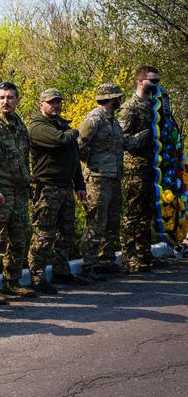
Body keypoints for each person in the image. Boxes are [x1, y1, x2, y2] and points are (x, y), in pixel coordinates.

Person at [0, 82, 37, 304]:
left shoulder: (19, 125)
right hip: (0, 193)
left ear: (17, 100)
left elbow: (24, 158)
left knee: (19, 238)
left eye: (10, 97)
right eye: (1, 97)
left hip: (19, 191)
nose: (6, 101)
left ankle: (13, 281)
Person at [78, 83, 147, 278]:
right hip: (98, 180)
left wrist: (147, 134)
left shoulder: (113, 121)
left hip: (114, 178)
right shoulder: (94, 119)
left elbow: (125, 143)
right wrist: (92, 163)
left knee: (112, 222)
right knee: (96, 223)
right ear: (110, 98)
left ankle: (105, 261)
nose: (120, 100)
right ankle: (88, 266)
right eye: (118, 97)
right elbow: (80, 145)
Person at [26, 89, 87, 293]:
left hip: (65, 187)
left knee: (66, 232)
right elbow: (59, 140)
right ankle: (38, 276)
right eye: (51, 102)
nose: (55, 106)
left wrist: (80, 185)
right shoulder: (37, 126)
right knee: (44, 234)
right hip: (47, 188)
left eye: (58, 102)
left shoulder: (62, 125)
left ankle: (62, 271)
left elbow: (74, 159)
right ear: (41, 104)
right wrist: (76, 132)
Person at [119, 66, 161, 272]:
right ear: (140, 81)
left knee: (147, 212)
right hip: (134, 168)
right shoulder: (130, 108)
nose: (156, 85)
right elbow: (124, 141)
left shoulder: (156, 105)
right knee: (133, 213)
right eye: (152, 81)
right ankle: (130, 256)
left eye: (158, 81)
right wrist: (149, 133)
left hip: (153, 167)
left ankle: (144, 252)